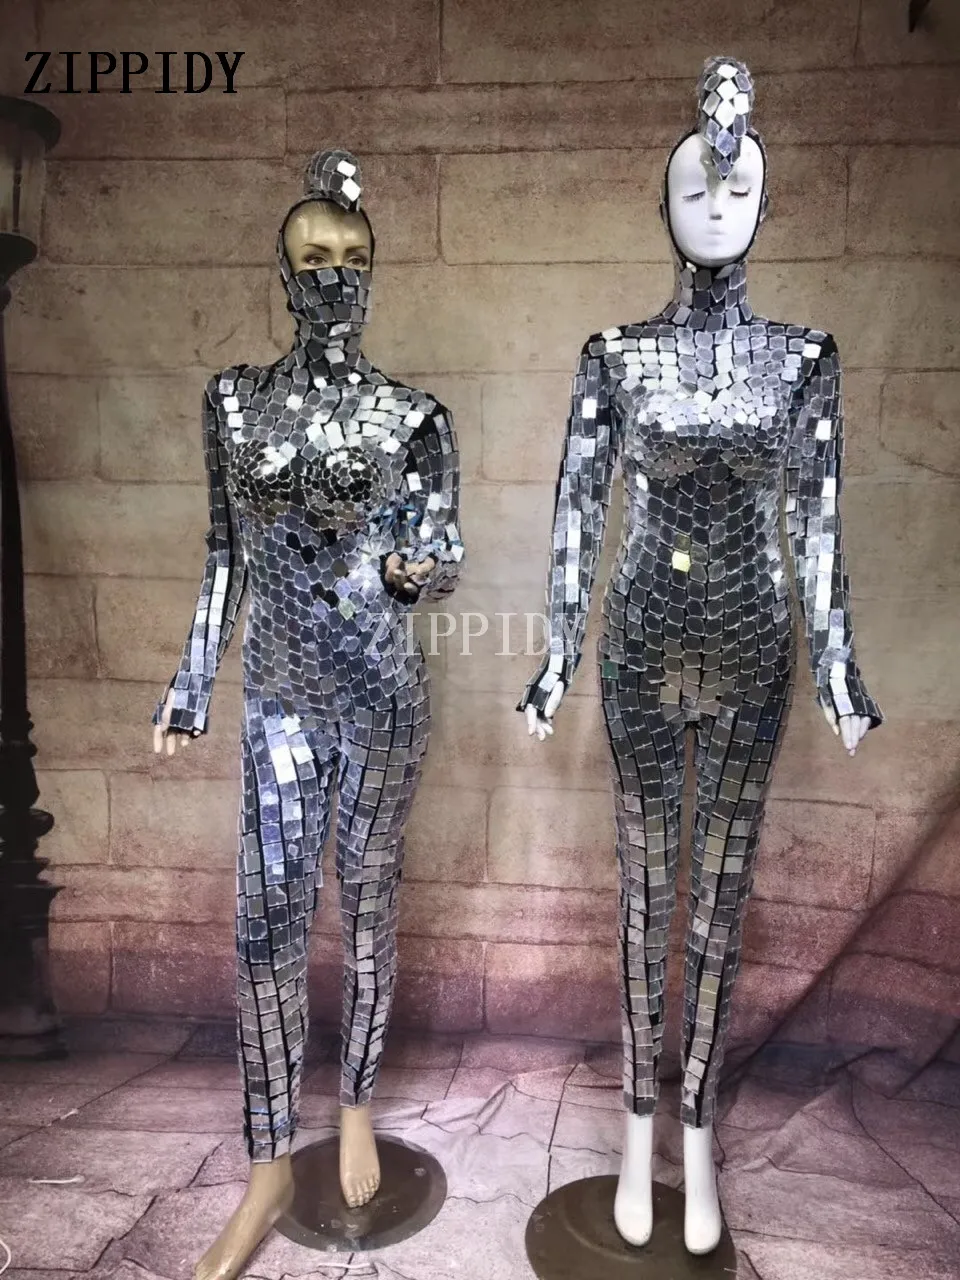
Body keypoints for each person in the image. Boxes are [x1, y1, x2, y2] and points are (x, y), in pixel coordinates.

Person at [518, 57, 881, 1255]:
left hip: (754, 645)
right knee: (643, 895)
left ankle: (700, 1135)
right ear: (660, 201)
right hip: (639, 645)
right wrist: (555, 653)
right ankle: (636, 1131)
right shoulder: (614, 356)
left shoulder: (805, 358)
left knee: (721, 902)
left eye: (737, 189)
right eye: (694, 186)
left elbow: (818, 516)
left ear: (766, 206)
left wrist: (839, 663)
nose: (716, 205)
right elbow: (578, 510)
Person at [153, 148, 463, 1280]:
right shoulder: (234, 404)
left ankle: (358, 1108)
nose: (337, 276)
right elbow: (224, 554)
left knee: (369, 908)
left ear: (374, 271)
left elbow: (446, 553)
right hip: (281, 698)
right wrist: (193, 680)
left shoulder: (414, 417)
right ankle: (267, 1168)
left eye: (355, 258)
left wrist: (417, 571)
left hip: (382, 697)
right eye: (316, 258)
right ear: (284, 274)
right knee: (267, 927)